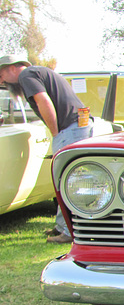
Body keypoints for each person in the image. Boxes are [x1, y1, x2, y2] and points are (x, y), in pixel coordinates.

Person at [0, 54, 94, 244]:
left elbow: (44, 101)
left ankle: (69, 231)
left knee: (66, 181)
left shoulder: (26, 75)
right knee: (68, 179)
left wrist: (55, 132)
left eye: (0, 75)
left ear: (11, 68)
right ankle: (63, 226)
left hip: (70, 128)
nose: (1, 81)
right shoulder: (39, 72)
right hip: (78, 125)